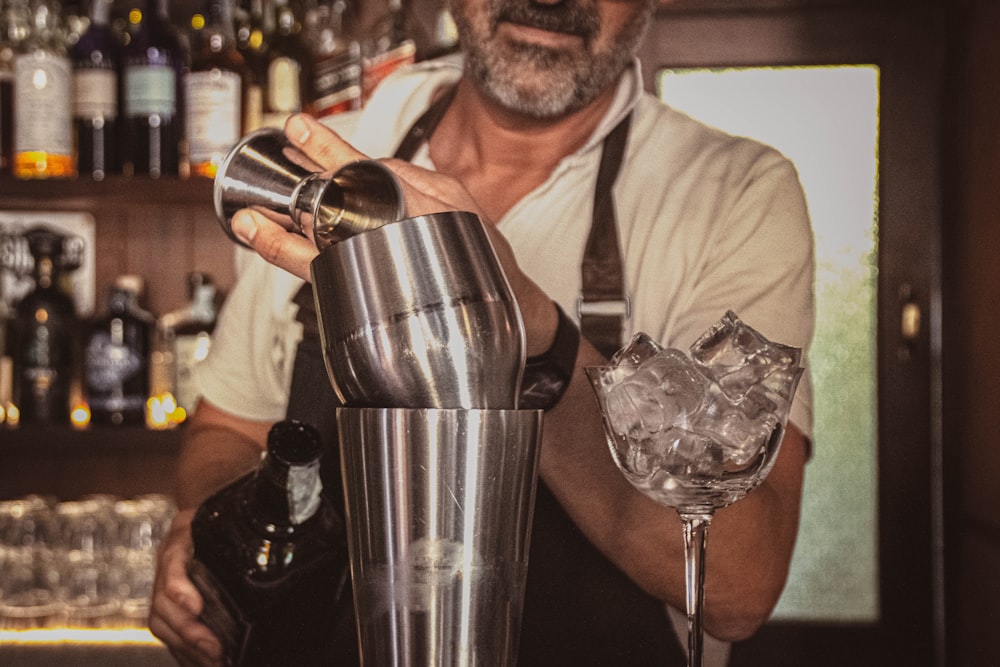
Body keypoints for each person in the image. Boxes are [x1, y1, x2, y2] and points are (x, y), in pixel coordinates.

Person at [148, 0, 816, 663]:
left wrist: (528, 331)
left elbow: (737, 585)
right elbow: (226, 430)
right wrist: (221, 530)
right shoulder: (330, 162)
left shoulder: (734, 194)